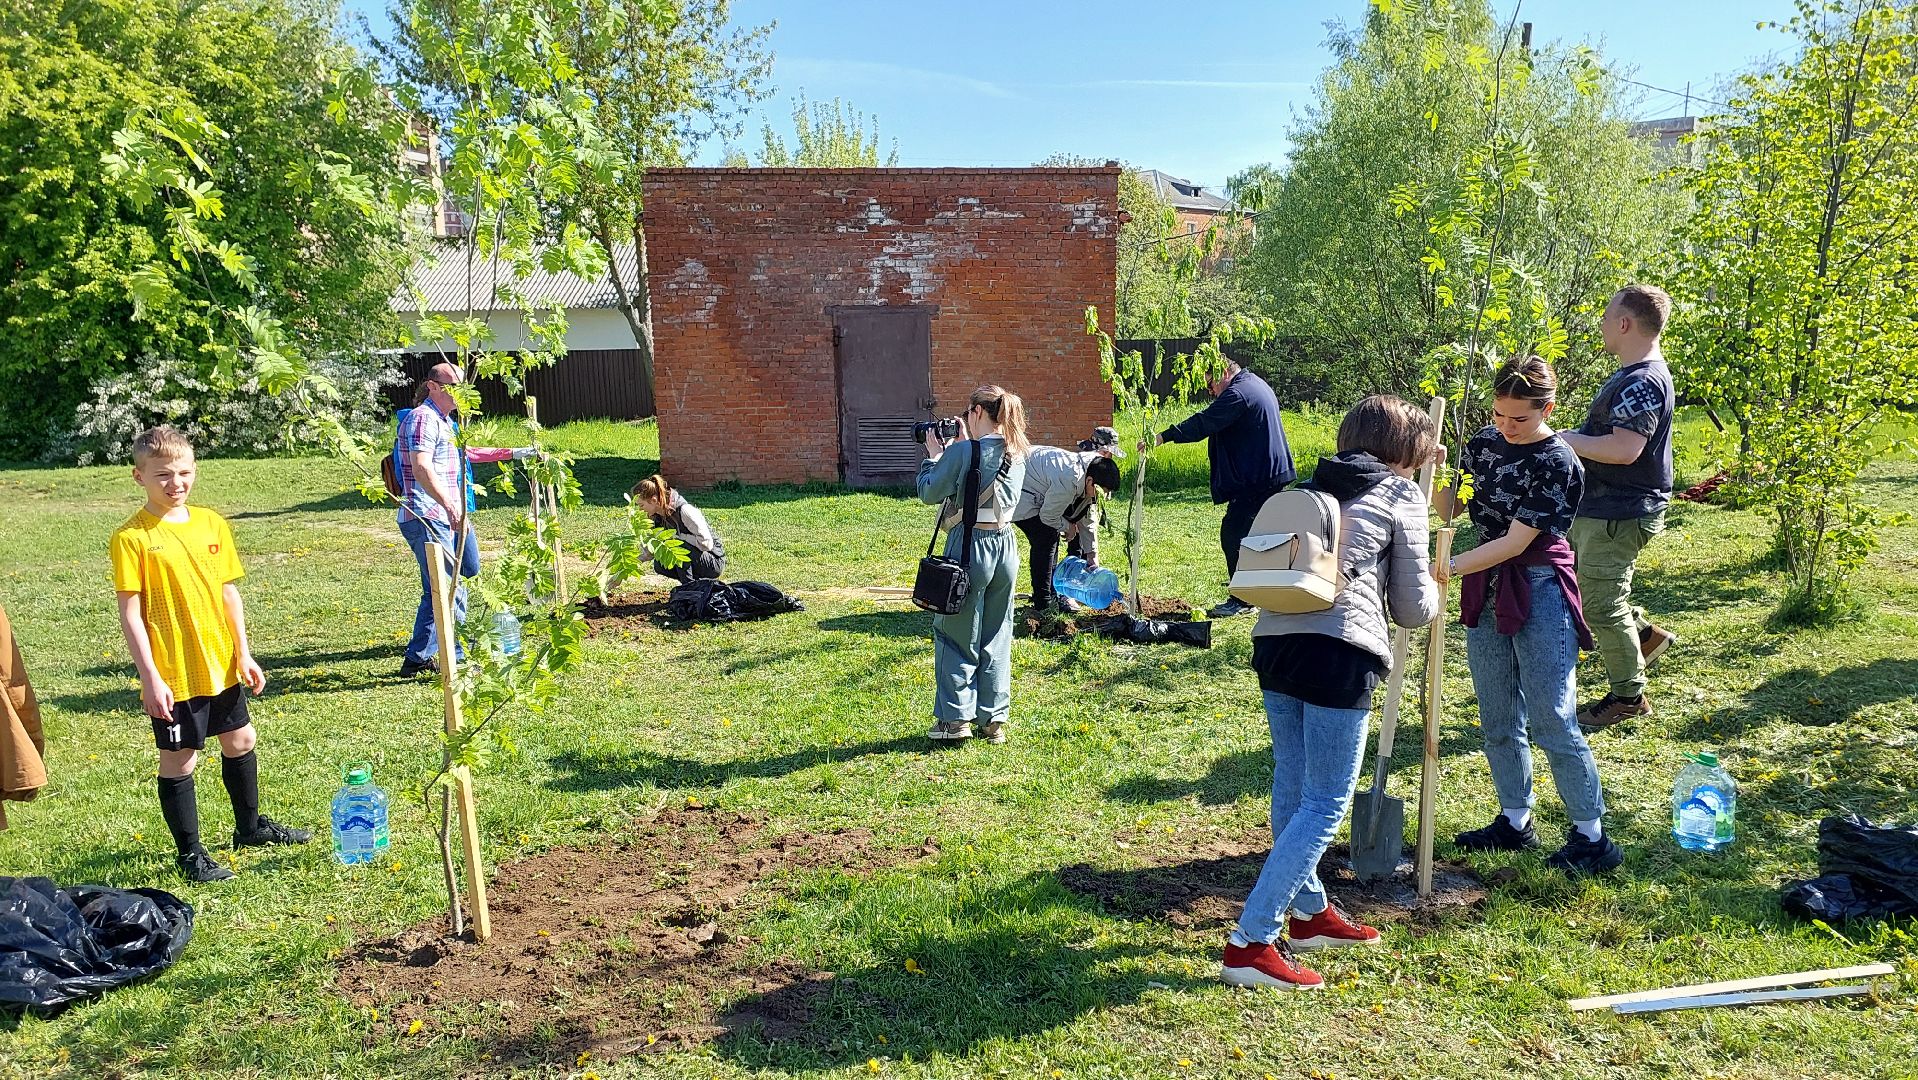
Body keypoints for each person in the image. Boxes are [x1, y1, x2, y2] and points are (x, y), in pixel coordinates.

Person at [1221, 395, 1442, 991]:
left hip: (1274, 639)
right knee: (1324, 802)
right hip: (1340, 650)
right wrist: (1441, 590)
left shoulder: (1309, 484)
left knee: (1292, 783)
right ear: (1408, 454)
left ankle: (1309, 911)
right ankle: (1251, 941)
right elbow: (1413, 607)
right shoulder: (1402, 496)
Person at [1435, 357, 1623, 876]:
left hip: (1536, 585)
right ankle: (1515, 820)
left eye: (1518, 418)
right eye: (1499, 414)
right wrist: (1437, 468)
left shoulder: (1558, 461)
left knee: (1552, 718)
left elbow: (1517, 541)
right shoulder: (1483, 444)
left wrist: (1445, 567)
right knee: (1497, 714)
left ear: (1547, 409)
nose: (1506, 426)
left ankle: (1592, 835)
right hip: (1485, 580)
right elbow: (1451, 510)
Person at [111, 426, 311, 882]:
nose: (175, 483)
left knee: (241, 740)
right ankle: (191, 855)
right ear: (139, 476)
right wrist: (150, 677)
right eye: (162, 474)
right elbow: (131, 614)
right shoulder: (132, 537)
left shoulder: (211, 523)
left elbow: (228, 594)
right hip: (174, 671)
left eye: (183, 472)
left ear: (194, 471)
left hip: (219, 663)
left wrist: (243, 654)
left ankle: (250, 828)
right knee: (181, 758)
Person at [1558, 284, 1679, 730]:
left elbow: (1626, 449)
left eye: (1608, 317)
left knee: (1600, 605)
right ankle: (1644, 637)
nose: (1603, 325)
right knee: (1595, 592)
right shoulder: (1637, 375)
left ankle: (1629, 697)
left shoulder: (1643, 380)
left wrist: (1566, 440)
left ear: (1625, 324)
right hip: (1607, 509)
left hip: (1620, 511)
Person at [393, 364, 531, 677]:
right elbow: (421, 467)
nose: (461, 391)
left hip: (449, 514)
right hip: (427, 515)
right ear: (433, 386)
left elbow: (468, 453)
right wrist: (450, 507)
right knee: (449, 587)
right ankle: (450, 658)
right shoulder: (422, 419)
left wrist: (516, 452)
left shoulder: (447, 422)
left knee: (467, 569)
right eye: (454, 384)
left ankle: (424, 655)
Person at [916, 385, 1030, 745]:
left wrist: (935, 456)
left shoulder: (964, 451)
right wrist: (963, 446)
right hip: (1006, 548)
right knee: (997, 634)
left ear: (978, 412)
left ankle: (954, 720)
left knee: (954, 633)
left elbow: (929, 491)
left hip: (969, 547)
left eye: (968, 413)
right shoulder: (1018, 452)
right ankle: (993, 720)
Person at [1142, 360, 1296, 618]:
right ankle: (1260, 590)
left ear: (1224, 374)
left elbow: (1204, 423)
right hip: (1267, 473)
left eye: (1211, 383)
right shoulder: (1252, 383)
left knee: (1234, 533)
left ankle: (1243, 599)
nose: (1211, 391)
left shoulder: (1238, 394)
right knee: (1254, 534)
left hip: (1259, 478)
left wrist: (1163, 437)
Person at [1011, 430, 1121, 609]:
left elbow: (1087, 517)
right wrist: (1067, 526)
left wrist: (1092, 556)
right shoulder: (1070, 478)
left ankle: (1052, 595)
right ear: (1090, 482)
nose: (1102, 497)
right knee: (1045, 537)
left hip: (1038, 488)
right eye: (1101, 491)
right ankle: (1043, 602)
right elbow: (1048, 516)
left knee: (1049, 535)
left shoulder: (1091, 471)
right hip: (1020, 489)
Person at [630, 473, 725, 583]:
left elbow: (706, 543)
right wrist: (631, 563)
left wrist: (677, 538)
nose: (640, 510)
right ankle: (696, 585)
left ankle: (689, 588)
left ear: (654, 500)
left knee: (678, 547)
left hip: (713, 561)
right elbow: (650, 550)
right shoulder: (655, 517)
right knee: (660, 563)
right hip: (695, 557)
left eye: (641, 505)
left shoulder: (685, 511)